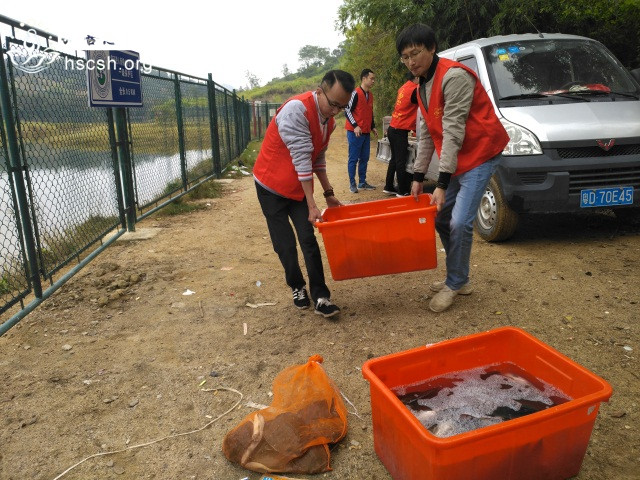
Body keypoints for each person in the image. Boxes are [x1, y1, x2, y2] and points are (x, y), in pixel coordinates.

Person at [396, 24, 510, 313]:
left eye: (415, 53)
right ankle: (459, 277)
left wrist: (442, 184)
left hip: (481, 153)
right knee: (441, 217)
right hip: (460, 158)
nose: (410, 62)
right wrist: (418, 177)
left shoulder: (454, 76)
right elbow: (425, 134)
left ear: (432, 48)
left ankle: (456, 281)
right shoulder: (421, 85)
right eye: (405, 57)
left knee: (459, 221)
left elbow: (453, 131)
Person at [253, 70, 355, 318]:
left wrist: (328, 193)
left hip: (297, 187)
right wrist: (312, 204)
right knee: (285, 245)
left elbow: (317, 158)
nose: (335, 111)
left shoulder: (328, 122)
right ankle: (297, 287)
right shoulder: (296, 110)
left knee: (308, 238)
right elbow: (301, 159)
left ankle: (321, 296)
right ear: (320, 92)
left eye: (342, 107)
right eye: (333, 104)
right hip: (271, 186)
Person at [383, 73, 419, 197]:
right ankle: (402, 190)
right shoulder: (415, 90)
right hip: (400, 130)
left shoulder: (403, 87)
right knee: (400, 161)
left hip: (392, 128)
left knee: (394, 159)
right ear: (416, 77)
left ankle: (389, 186)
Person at [344, 68, 378, 193]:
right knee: (353, 158)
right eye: (371, 78)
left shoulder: (370, 95)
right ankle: (352, 184)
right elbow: (347, 110)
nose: (373, 81)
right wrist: (355, 125)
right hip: (355, 132)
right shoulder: (356, 93)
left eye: (374, 79)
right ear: (364, 79)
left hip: (366, 131)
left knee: (364, 158)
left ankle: (362, 182)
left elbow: (370, 112)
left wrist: (373, 126)